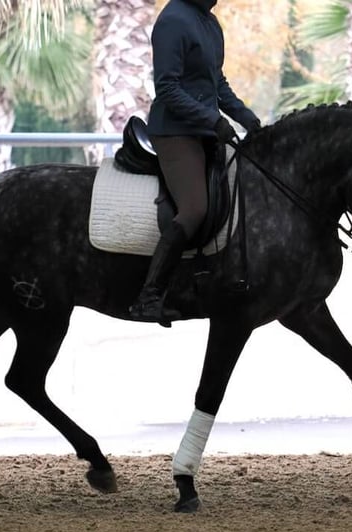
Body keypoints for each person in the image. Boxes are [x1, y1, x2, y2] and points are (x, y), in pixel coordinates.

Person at [128, 0, 261, 325]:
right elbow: (167, 88)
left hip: (204, 130)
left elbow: (217, 84)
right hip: (175, 132)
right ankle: (148, 298)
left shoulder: (210, 23)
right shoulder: (173, 20)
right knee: (194, 209)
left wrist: (249, 119)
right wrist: (213, 120)